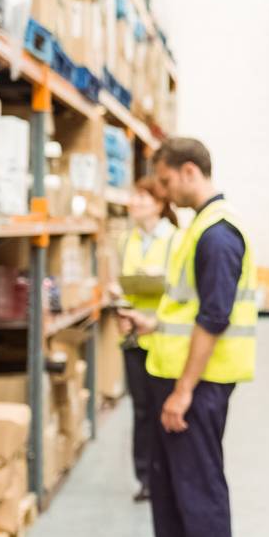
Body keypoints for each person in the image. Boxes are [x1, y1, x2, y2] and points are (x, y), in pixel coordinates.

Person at [117, 137, 258, 537]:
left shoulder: (219, 234)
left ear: (191, 171)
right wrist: (151, 323)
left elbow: (214, 318)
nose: (163, 189)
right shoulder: (198, 228)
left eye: (167, 179)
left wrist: (183, 392)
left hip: (199, 384)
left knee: (198, 485)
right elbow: (186, 308)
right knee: (168, 481)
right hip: (171, 371)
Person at [116, 176, 176, 503]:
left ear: (159, 202)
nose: (135, 203)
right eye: (133, 197)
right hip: (134, 337)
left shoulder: (175, 239)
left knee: (161, 409)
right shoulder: (127, 241)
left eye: (143, 197)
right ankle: (145, 478)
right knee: (140, 411)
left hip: (163, 336)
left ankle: (165, 474)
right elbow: (122, 281)